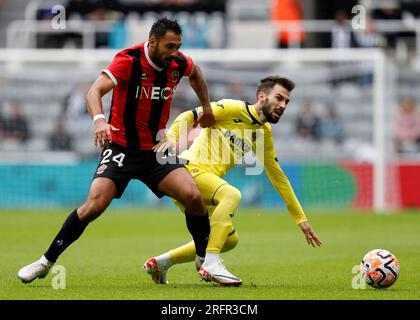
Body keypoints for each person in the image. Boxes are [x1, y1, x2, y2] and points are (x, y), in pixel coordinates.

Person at [17, 17, 216, 284]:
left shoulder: (178, 63)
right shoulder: (129, 61)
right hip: (121, 148)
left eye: (178, 46)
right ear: (153, 42)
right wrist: (100, 121)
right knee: (93, 207)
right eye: (170, 47)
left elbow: (197, 74)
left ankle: (204, 259)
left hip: (155, 149)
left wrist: (207, 108)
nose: (175, 53)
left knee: (193, 196)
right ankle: (45, 262)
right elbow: (94, 92)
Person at [144, 76, 322, 286]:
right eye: (279, 98)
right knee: (231, 194)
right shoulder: (231, 108)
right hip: (189, 172)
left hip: (206, 187)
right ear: (262, 96)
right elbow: (187, 116)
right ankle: (210, 264)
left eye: (286, 102)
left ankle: (162, 263)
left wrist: (300, 219)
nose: (283, 105)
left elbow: (278, 177)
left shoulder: (262, 133)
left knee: (228, 240)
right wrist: (172, 138)